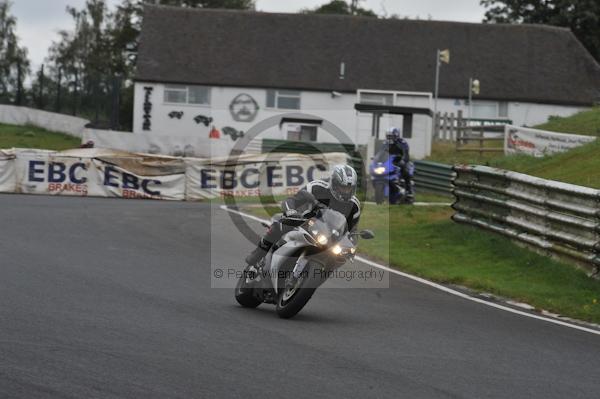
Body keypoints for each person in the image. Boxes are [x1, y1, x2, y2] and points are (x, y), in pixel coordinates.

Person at [245, 164, 361, 266]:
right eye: (343, 187)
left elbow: (352, 229)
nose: (346, 191)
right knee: (279, 225)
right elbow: (293, 199)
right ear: (335, 183)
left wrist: (352, 245)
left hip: (325, 235)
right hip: (303, 221)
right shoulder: (317, 187)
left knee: (336, 258)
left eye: (349, 188)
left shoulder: (354, 206)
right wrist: (291, 211)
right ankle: (258, 253)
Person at [385, 127, 414, 201]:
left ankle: (409, 190)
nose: (389, 138)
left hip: (400, 161)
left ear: (396, 135)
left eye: (391, 136)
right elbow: (381, 154)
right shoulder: (385, 144)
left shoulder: (402, 143)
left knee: (404, 169)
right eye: (388, 136)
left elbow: (406, 153)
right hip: (390, 162)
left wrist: (403, 160)